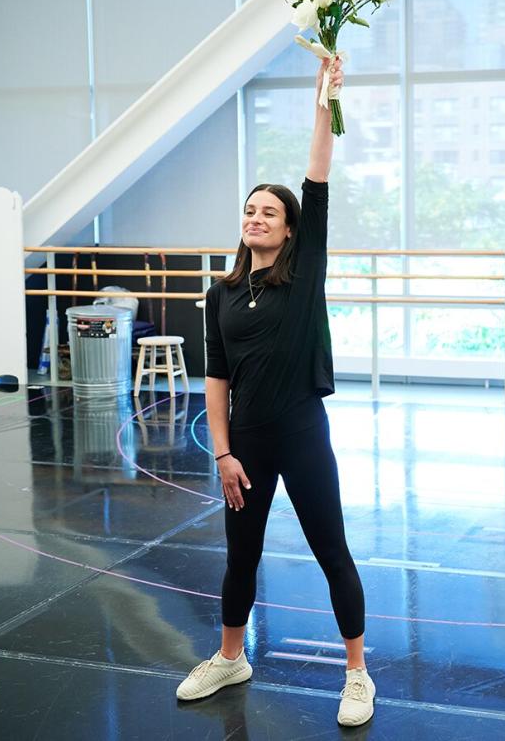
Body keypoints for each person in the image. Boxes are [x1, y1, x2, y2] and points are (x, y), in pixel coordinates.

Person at [176, 56, 374, 727]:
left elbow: (316, 177)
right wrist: (223, 455)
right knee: (242, 556)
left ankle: (356, 673)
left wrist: (325, 98)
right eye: (249, 210)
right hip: (248, 444)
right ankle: (231, 657)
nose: (256, 217)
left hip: (302, 432)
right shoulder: (223, 292)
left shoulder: (302, 272)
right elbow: (215, 377)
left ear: (290, 229)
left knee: (331, 551)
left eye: (269, 211)